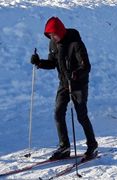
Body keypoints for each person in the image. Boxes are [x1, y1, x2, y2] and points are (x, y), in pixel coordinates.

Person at [30, 17, 98, 160]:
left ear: (60, 30)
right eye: (50, 35)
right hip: (63, 83)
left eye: (54, 34)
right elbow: (53, 62)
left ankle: (92, 145)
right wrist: (39, 62)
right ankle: (64, 147)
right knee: (58, 113)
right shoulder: (53, 43)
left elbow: (86, 67)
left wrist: (76, 74)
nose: (52, 37)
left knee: (81, 116)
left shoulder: (76, 43)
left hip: (78, 84)